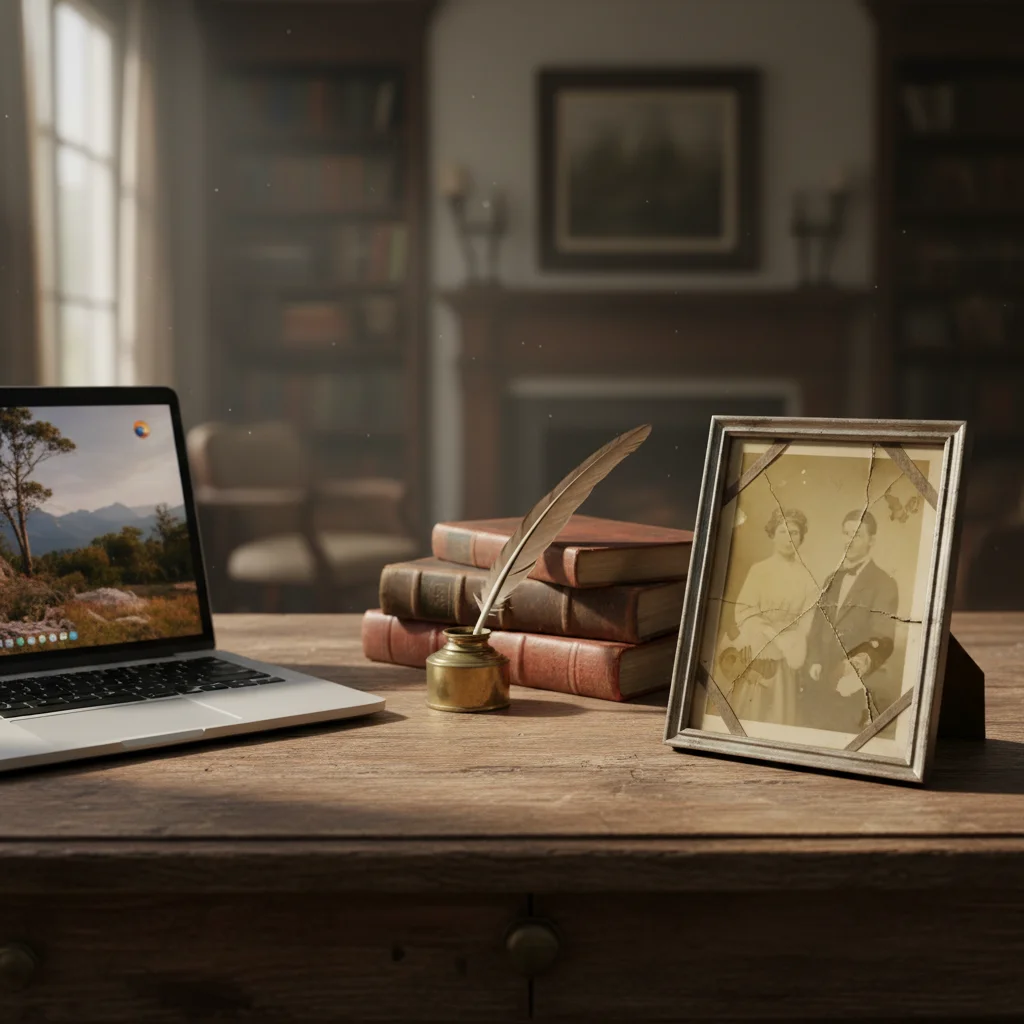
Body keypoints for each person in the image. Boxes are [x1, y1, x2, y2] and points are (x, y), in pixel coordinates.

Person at [716, 507, 819, 726]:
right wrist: (772, 635)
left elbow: (808, 618)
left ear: (801, 538)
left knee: (781, 715)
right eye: (783, 532)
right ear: (773, 535)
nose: (789, 539)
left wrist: (792, 642)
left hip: (786, 656)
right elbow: (745, 610)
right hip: (757, 651)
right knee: (750, 713)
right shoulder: (759, 570)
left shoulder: (807, 577)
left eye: (794, 533)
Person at [805, 509, 899, 734]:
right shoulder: (832, 578)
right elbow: (818, 625)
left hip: (854, 682)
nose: (849, 540)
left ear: (871, 541)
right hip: (822, 676)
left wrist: (857, 668)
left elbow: (883, 637)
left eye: (856, 534)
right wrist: (815, 659)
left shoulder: (884, 583)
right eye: (846, 533)